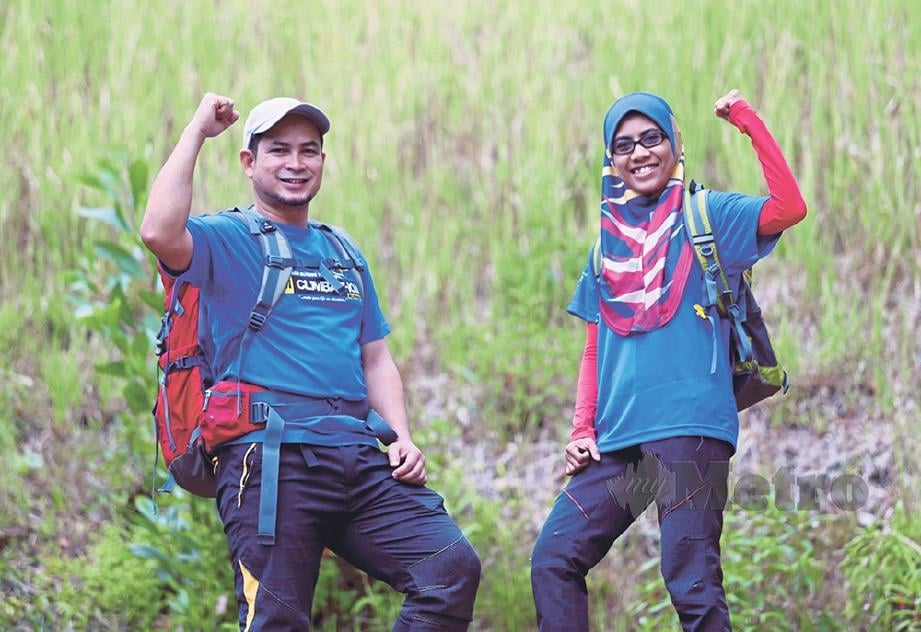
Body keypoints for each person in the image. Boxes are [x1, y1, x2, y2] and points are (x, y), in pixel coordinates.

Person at [140, 93, 480, 631]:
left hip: (358, 456)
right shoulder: (228, 239)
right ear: (249, 163)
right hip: (270, 460)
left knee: (448, 568)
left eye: (309, 151)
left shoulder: (342, 250)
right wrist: (196, 132)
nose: (296, 163)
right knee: (277, 620)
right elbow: (158, 231)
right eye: (279, 150)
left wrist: (403, 437)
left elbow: (376, 357)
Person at [530, 90, 807, 631]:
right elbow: (595, 345)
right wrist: (581, 427)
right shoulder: (605, 246)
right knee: (554, 557)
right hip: (620, 443)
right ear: (611, 161)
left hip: (688, 429)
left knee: (692, 583)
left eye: (651, 138)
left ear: (676, 143)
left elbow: (789, 208)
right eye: (623, 144)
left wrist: (747, 123)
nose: (639, 152)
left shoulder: (709, 215)